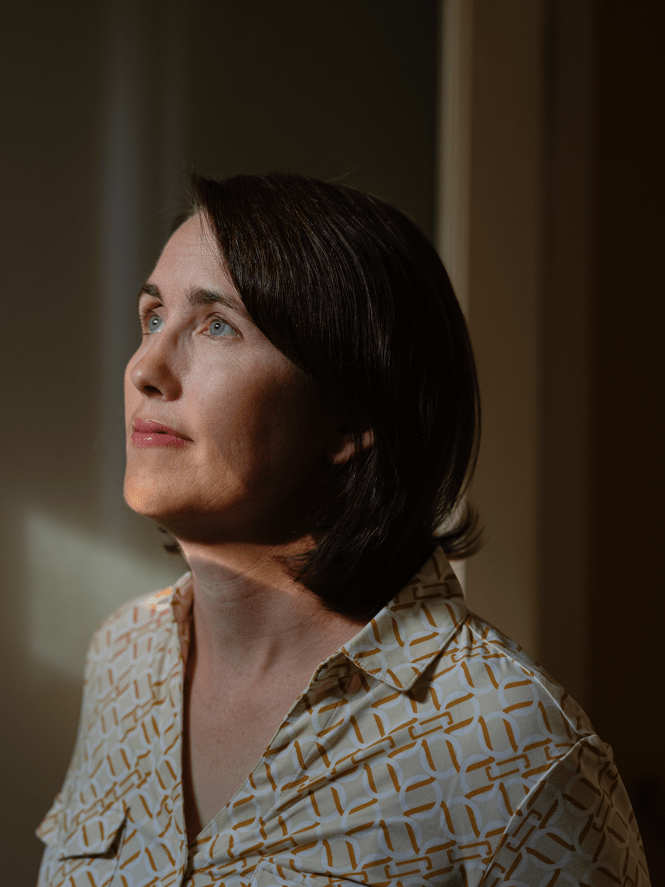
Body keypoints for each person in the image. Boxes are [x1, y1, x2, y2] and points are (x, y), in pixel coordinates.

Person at [36, 173, 650, 886]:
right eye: (151, 318)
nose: (145, 367)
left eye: (217, 325)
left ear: (351, 417)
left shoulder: (513, 742)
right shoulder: (123, 658)